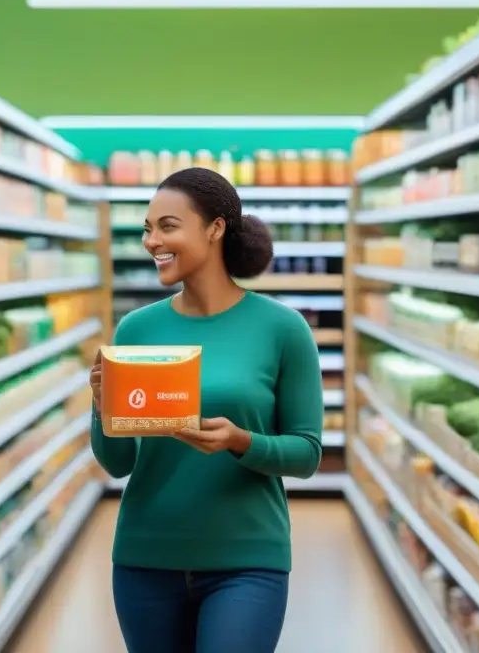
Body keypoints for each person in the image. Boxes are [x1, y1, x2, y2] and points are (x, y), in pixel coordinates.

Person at [90, 167, 325, 653]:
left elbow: (306, 454)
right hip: (145, 557)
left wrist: (241, 441)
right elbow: (119, 463)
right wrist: (101, 407)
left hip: (248, 560)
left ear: (215, 228)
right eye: (148, 229)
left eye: (168, 226)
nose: (153, 241)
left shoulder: (282, 328)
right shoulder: (137, 329)